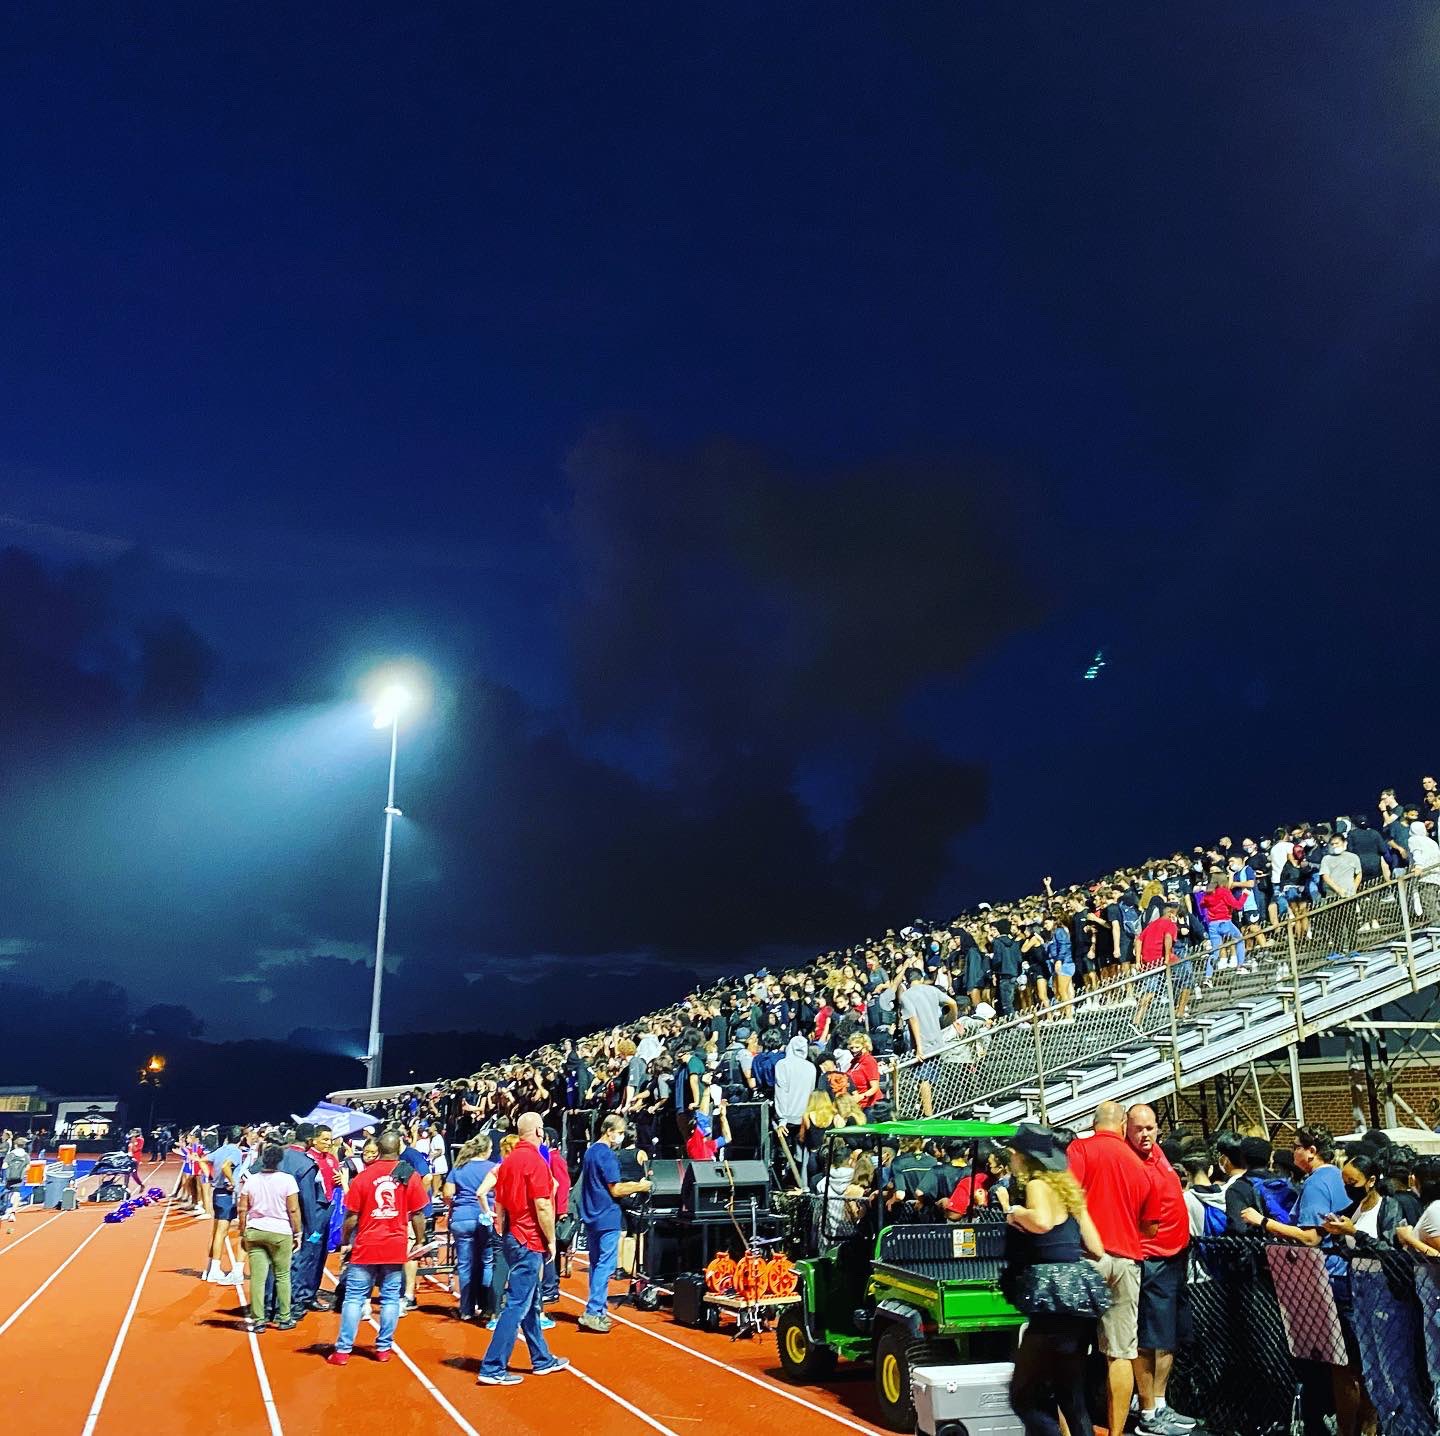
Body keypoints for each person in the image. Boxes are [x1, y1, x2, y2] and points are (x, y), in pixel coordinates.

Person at [1003, 1124, 1110, 1436]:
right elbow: (1097, 1248)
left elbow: (1041, 1221)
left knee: (1023, 1397)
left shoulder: (1036, 1184)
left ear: (1021, 1156)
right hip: (1079, 1297)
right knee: (1071, 1395)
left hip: (1051, 1297)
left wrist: (1015, 1212)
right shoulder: (1069, 1190)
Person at [1067, 1100, 1161, 1436]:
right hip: (1126, 1261)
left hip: (1084, 1258)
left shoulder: (1080, 1150)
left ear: (1094, 1123)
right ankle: (1116, 1432)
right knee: (1121, 1353)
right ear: (1123, 1125)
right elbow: (1150, 1226)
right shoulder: (1140, 1164)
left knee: (1069, 1351)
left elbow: (1068, 1197)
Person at [477, 1112, 570, 1386]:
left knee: (530, 1301)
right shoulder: (537, 1162)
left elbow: (499, 1203)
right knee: (517, 1303)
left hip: (511, 1236)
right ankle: (493, 1366)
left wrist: (502, 1228)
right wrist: (551, 1239)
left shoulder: (507, 1163)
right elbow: (542, 1205)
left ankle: (541, 1358)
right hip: (528, 1238)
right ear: (540, 1132)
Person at [327, 1129, 429, 1366]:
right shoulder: (408, 1175)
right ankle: (383, 1348)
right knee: (391, 1298)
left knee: (354, 1298)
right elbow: (418, 1214)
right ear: (398, 1149)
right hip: (395, 1245)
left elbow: (351, 1215)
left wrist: (345, 1239)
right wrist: (421, 1240)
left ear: (379, 1150)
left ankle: (343, 1351)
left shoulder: (364, 1176)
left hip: (366, 1244)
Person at [1125, 1105, 1196, 1436]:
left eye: (1150, 1128)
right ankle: (1149, 1411)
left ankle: (1160, 1403)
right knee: (1148, 1339)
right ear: (1127, 1129)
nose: (1145, 1134)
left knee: (1167, 1337)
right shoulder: (1130, 1163)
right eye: (1138, 1128)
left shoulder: (1159, 1156)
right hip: (1151, 1258)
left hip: (1174, 1256)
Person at [577, 1113, 651, 1333]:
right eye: (619, 1133)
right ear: (609, 1132)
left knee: (595, 1263)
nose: (621, 1136)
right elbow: (616, 1189)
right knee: (605, 1266)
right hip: (607, 1215)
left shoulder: (590, 1152)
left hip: (591, 1215)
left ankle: (598, 1311)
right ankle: (592, 1311)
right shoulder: (607, 1155)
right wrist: (640, 1186)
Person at [236, 1145, 301, 1334]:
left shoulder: (251, 1181)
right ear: (279, 1161)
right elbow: (294, 1210)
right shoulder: (287, 1180)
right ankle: (284, 1317)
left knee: (258, 1278)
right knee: (282, 1276)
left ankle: (258, 1320)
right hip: (280, 1232)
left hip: (255, 1230)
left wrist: (242, 1231)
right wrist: (297, 1232)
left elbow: (242, 1209)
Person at [445, 1134, 498, 1322]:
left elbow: (447, 1193)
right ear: (485, 1150)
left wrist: (454, 1206)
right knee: (487, 1261)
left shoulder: (458, 1167)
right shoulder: (493, 1168)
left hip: (462, 1218)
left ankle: (466, 1308)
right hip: (486, 1216)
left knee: (465, 1264)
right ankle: (487, 1305)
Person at [899, 967, 958, 1117]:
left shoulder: (906, 996)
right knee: (931, 1079)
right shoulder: (932, 990)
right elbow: (952, 1003)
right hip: (937, 1041)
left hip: (923, 1044)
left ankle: (928, 1114)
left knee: (923, 1079)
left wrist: (919, 1047)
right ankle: (929, 1109)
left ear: (907, 980)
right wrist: (952, 1020)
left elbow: (913, 1019)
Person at [203, 1126, 244, 1284]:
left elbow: (203, 1159)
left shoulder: (220, 1150)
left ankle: (210, 1268)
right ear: (241, 1138)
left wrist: (210, 1175)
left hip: (217, 1192)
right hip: (226, 1195)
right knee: (221, 1232)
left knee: (216, 1232)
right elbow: (226, 1166)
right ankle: (214, 1270)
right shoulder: (236, 1152)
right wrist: (232, 1182)